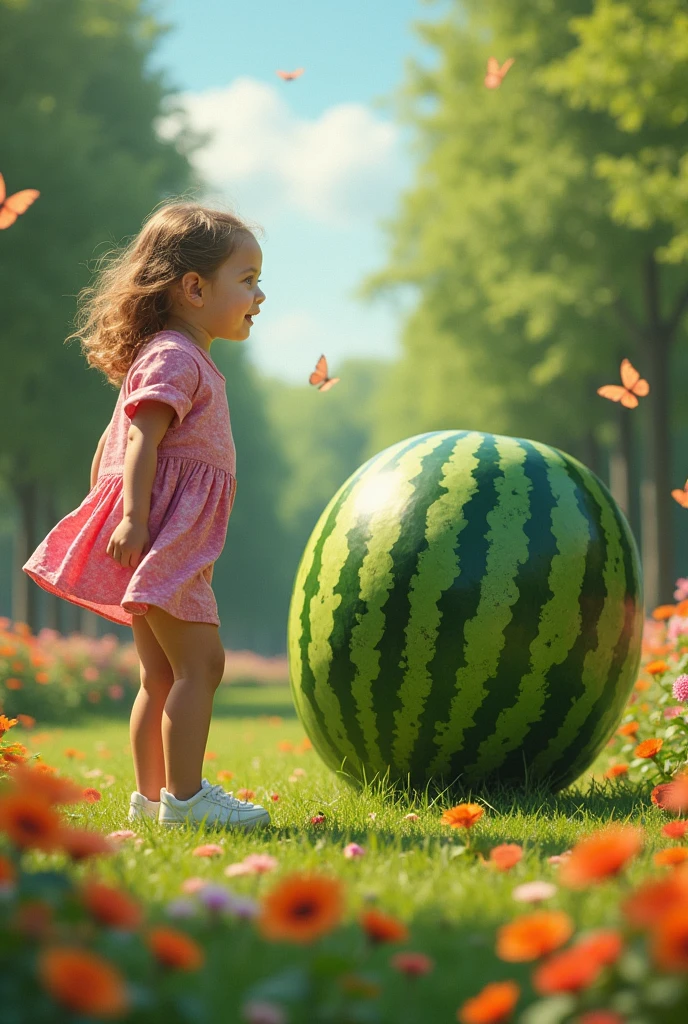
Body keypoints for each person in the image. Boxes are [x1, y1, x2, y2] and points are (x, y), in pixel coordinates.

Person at [22, 200, 270, 832]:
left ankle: (153, 799)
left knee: (161, 673)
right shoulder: (175, 357)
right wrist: (132, 517)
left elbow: (118, 444)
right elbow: (139, 440)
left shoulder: (181, 355)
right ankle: (186, 801)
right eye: (247, 280)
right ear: (193, 287)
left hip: (166, 533)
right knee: (200, 666)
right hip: (167, 538)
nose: (259, 295)